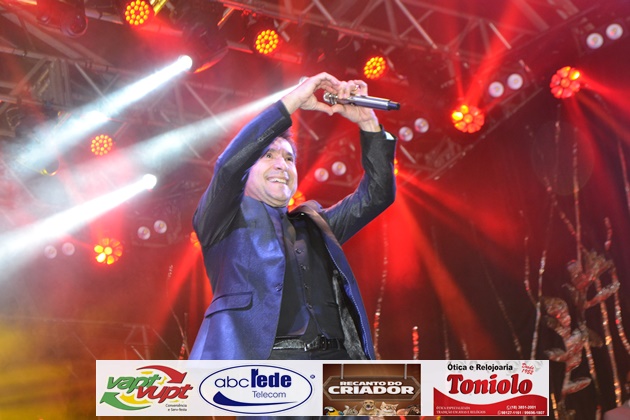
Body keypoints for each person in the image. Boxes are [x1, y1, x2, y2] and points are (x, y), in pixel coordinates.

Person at [189, 72, 396, 361]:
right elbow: (228, 168)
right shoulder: (222, 220)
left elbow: (377, 194)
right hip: (264, 368)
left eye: (289, 158)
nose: (282, 165)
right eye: (268, 156)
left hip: (335, 363)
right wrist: (293, 101)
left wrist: (368, 123)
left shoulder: (316, 224)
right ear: (247, 170)